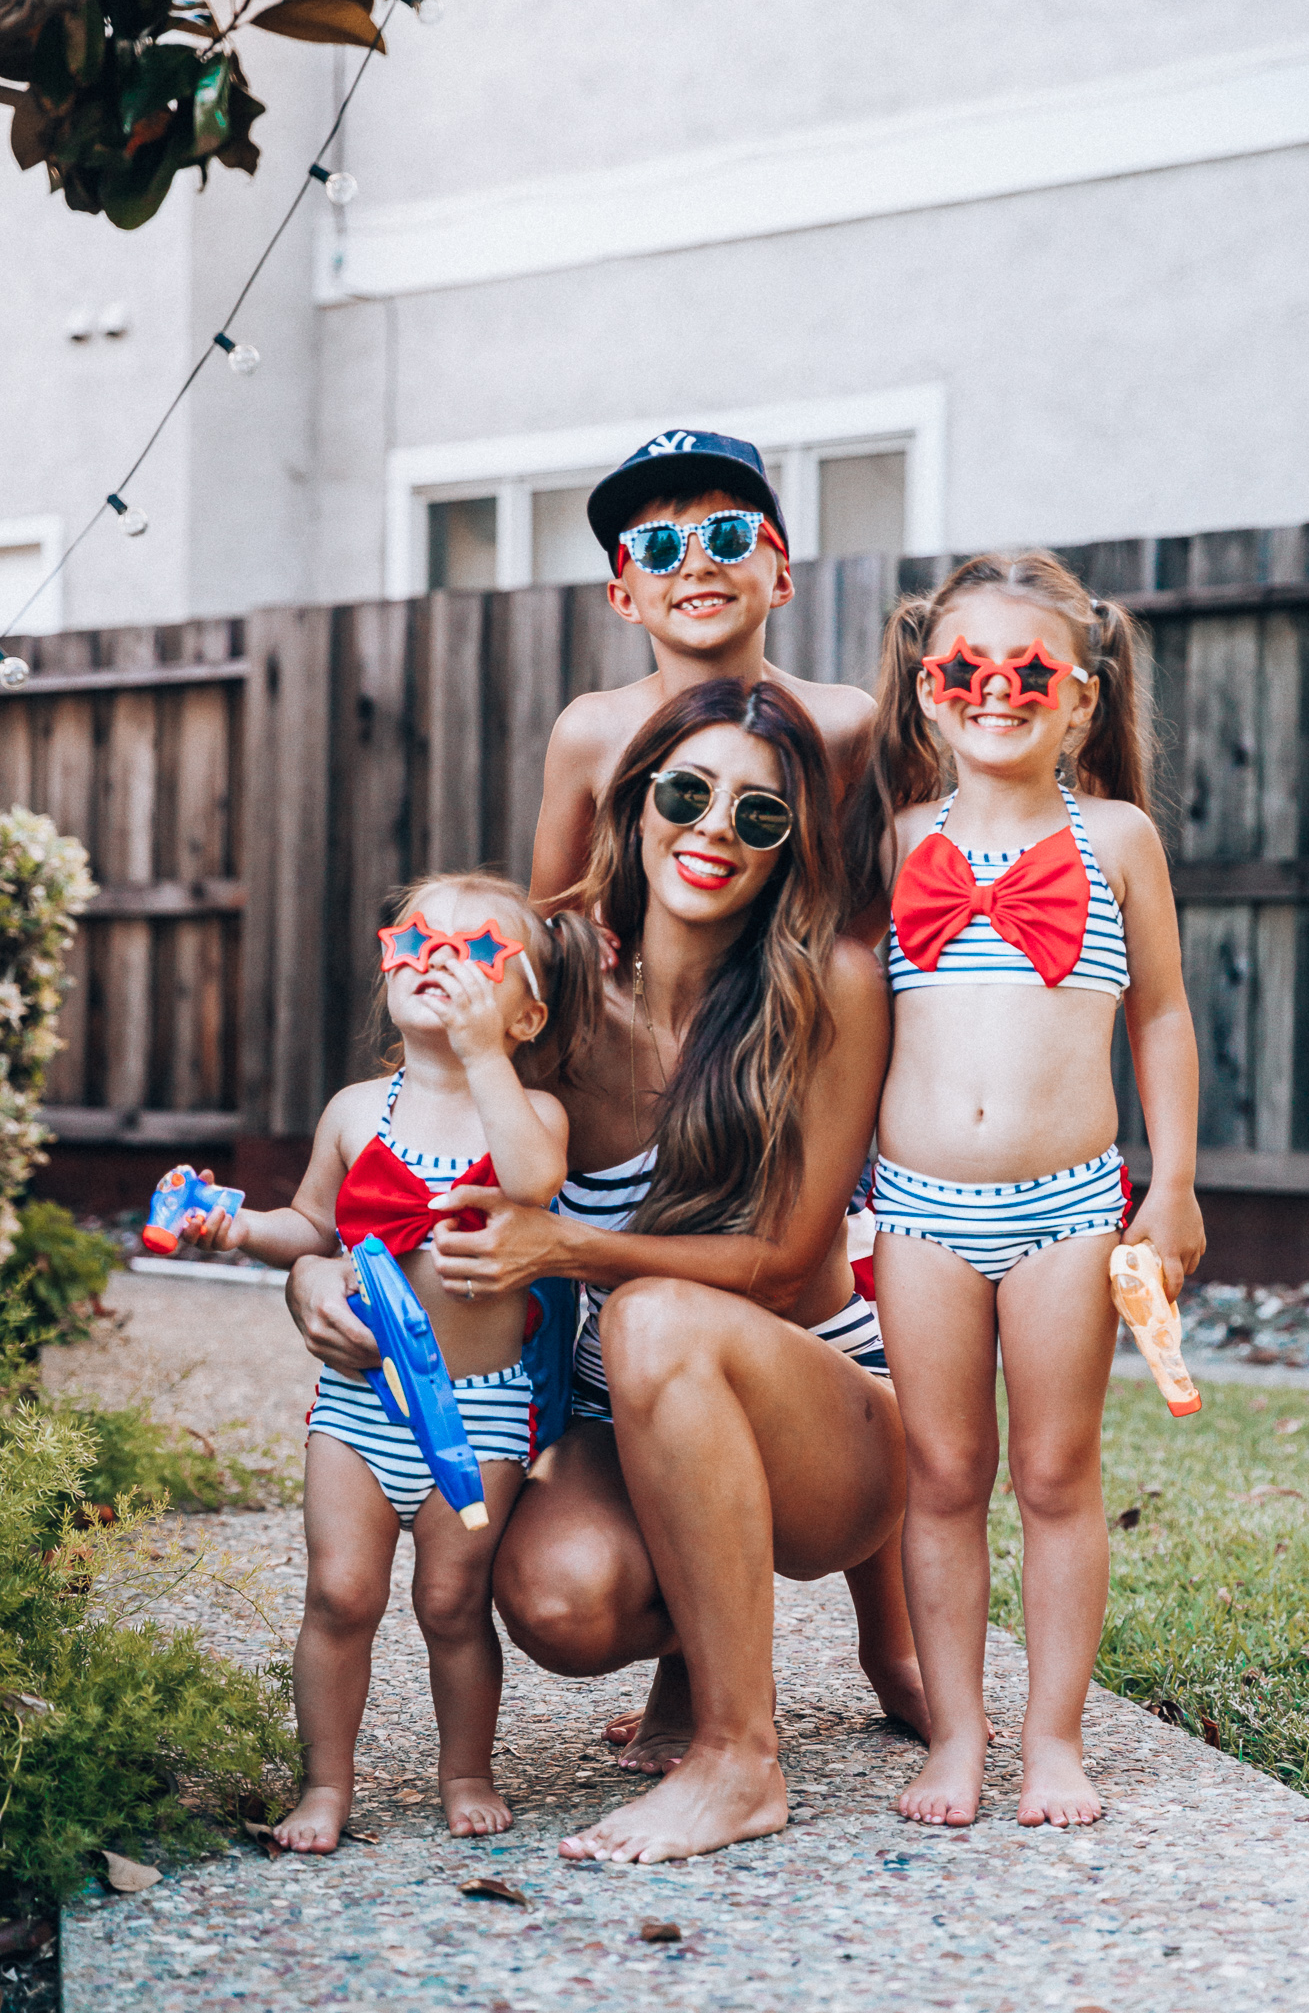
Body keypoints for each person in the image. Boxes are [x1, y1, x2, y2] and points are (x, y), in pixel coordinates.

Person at [286, 680, 926, 1865]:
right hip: (622, 1411)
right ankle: (700, 1645)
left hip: (829, 1420)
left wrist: (572, 1245)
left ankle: (743, 1757)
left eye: (760, 815)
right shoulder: (555, 981)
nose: (714, 830)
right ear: (633, 806)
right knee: (558, 1599)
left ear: (793, 846)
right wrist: (311, 1274)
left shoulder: (828, 979)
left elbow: (787, 1265)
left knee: (649, 1320)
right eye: (686, 793)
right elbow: (408, 1155)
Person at [849, 551, 1205, 1831]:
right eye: (964, 668)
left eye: (1030, 670)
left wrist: (1173, 1187)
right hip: (918, 1211)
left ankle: (1053, 1737)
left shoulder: (1117, 839)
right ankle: (956, 1732)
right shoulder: (891, 844)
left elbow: (1160, 1016)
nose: (996, 689)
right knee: (939, 1472)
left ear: (1082, 697)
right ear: (928, 692)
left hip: (1066, 1205)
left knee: (1055, 1471)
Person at [187, 872, 601, 1852]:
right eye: (419, 940)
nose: (440, 960)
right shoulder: (352, 1110)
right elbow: (310, 1223)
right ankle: (325, 1782)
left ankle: (466, 1767)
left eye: (477, 952)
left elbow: (536, 1178)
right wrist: (233, 1226)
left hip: (483, 1411)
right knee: (340, 1594)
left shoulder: (533, 1112)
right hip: (357, 1404)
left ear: (527, 1009)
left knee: (452, 1601)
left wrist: (480, 1055)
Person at [529, 430, 876, 914]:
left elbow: (867, 918)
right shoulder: (591, 733)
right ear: (624, 599)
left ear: (780, 578)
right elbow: (553, 921)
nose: (696, 564)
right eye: (656, 547)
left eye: (729, 536)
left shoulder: (845, 725)